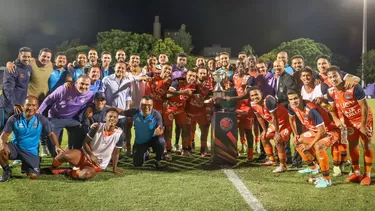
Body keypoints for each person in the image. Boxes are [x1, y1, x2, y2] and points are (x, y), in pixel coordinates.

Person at [326, 66, 373, 186]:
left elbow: (364, 106)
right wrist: (336, 119)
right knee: (352, 145)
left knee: (366, 143)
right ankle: (356, 172)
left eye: (335, 76)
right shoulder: (330, 91)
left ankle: (367, 175)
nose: (333, 79)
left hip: (364, 119)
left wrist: (363, 125)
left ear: (341, 76)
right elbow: (331, 108)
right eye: (330, 77)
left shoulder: (354, 87)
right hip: (349, 121)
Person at [0, 96, 64, 182]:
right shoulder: (14, 118)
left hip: (31, 152)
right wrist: (2, 144)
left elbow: (52, 134)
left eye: (34, 105)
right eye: (28, 105)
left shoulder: (41, 119)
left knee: (33, 176)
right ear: (23, 106)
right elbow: (4, 135)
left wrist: (57, 146)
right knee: (1, 147)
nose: (31, 108)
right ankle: (6, 171)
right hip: (15, 148)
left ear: (37, 107)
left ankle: (33, 164)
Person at [50, 108, 123, 180]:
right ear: (105, 118)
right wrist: (91, 155)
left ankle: (68, 172)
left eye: (115, 117)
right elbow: (85, 143)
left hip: (97, 163)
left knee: (85, 175)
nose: (112, 119)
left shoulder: (120, 134)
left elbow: (116, 153)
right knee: (63, 154)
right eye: (110, 116)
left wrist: (114, 169)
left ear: (117, 120)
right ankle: (51, 168)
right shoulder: (96, 127)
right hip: (84, 155)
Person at [287, 90, 340, 188]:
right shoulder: (291, 106)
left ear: (300, 97)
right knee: (297, 141)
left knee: (318, 146)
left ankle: (327, 180)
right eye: (290, 99)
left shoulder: (311, 109)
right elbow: (291, 119)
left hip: (330, 130)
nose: (293, 101)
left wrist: (310, 145)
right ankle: (313, 167)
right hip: (316, 131)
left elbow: (322, 131)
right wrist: (295, 134)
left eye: (295, 98)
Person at [39, 74, 94, 156]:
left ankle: (72, 155)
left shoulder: (90, 95)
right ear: (76, 83)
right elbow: (49, 99)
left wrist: (90, 107)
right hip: (56, 117)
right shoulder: (65, 88)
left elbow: (91, 103)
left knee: (79, 130)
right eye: (82, 83)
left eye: (87, 85)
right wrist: (39, 111)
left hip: (71, 118)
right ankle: (55, 157)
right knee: (53, 137)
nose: (84, 86)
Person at [249, 86, 290, 173]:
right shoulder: (253, 104)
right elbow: (259, 117)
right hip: (275, 123)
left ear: (261, 94)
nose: (254, 97)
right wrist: (264, 130)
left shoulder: (269, 100)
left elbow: (274, 117)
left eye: (256, 94)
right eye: (252, 95)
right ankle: (272, 160)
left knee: (277, 139)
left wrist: (277, 133)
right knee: (263, 137)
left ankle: (283, 165)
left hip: (286, 122)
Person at [119, 96, 165, 168]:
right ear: (140, 105)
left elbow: (161, 128)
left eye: (149, 105)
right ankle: (145, 153)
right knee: (137, 164)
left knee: (161, 141)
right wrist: (108, 108)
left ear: (152, 106)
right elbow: (121, 112)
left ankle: (158, 160)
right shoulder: (135, 112)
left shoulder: (156, 115)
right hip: (141, 141)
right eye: (144, 105)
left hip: (153, 139)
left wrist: (159, 131)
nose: (146, 107)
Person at [164, 69, 197, 159]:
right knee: (168, 128)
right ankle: (168, 150)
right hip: (170, 108)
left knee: (186, 126)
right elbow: (168, 95)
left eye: (194, 76)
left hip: (180, 109)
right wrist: (182, 92)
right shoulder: (177, 81)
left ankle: (185, 149)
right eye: (190, 75)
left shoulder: (194, 86)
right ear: (186, 75)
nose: (192, 78)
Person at [0, 47, 32, 132]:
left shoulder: (29, 68)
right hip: (8, 106)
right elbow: (8, 88)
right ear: (19, 56)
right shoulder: (12, 68)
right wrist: (15, 103)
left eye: (29, 57)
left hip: (20, 106)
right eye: (24, 56)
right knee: (2, 130)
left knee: (18, 131)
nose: (27, 59)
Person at [273, 60, 298, 164]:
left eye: (279, 66)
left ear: (284, 66)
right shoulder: (278, 77)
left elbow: (291, 95)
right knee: (285, 136)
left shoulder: (288, 78)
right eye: (275, 66)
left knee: (295, 135)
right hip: (282, 111)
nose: (276, 68)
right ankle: (288, 159)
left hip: (289, 110)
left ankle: (297, 162)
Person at [186, 66, 212, 156]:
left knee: (204, 130)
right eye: (200, 73)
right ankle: (189, 147)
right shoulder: (191, 82)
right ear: (197, 74)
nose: (202, 75)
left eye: (204, 73)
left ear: (207, 74)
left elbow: (210, 95)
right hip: (190, 110)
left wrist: (211, 99)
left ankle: (203, 149)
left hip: (202, 112)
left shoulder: (209, 84)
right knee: (189, 130)